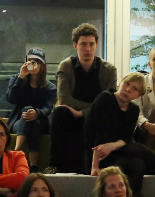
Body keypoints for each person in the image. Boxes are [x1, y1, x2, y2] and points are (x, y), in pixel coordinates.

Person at [85, 72, 155, 197]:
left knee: (139, 164)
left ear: (138, 96)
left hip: (118, 151)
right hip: (99, 154)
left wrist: (112, 146)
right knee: (137, 149)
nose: (128, 89)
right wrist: (95, 167)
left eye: (134, 89)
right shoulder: (105, 98)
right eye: (127, 84)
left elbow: (126, 138)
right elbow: (99, 136)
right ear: (120, 83)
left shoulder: (134, 109)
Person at [48, 24, 118, 173]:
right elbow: (64, 99)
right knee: (59, 112)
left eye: (91, 44)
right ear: (75, 45)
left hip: (97, 118)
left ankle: (103, 167)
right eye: (83, 44)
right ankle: (54, 165)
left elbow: (110, 103)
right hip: (72, 116)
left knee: (106, 115)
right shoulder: (66, 66)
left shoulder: (109, 69)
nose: (87, 49)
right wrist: (85, 111)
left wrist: (83, 112)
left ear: (96, 45)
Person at [5, 48, 57, 169]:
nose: (32, 65)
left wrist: (37, 113)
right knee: (29, 115)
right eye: (30, 61)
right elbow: (11, 99)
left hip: (40, 123)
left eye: (36, 62)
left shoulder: (49, 87)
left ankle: (16, 152)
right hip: (18, 122)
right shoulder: (16, 80)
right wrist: (21, 77)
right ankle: (33, 166)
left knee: (35, 122)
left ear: (42, 65)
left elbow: (48, 108)